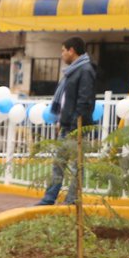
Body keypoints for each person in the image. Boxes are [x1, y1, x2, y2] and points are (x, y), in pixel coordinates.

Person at [37, 37, 96, 206]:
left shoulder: (85, 70)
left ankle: (71, 200)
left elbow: (84, 100)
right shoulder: (73, 71)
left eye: (63, 50)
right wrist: (61, 121)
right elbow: (66, 99)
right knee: (59, 163)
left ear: (72, 50)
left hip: (76, 127)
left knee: (76, 166)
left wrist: (74, 123)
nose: (62, 54)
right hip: (67, 124)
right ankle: (49, 198)